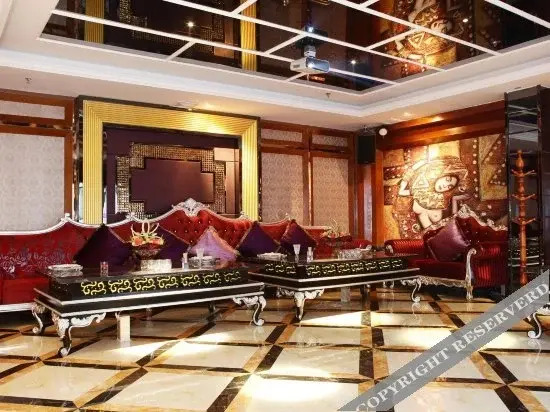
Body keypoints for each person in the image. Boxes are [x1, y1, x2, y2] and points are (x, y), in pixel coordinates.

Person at [397, 156, 471, 229]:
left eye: (449, 186)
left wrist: (455, 199)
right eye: (447, 180)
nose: (445, 186)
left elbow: (454, 219)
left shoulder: (442, 199)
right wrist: (418, 165)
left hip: (446, 228)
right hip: (433, 231)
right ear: (441, 175)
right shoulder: (420, 188)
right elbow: (401, 192)